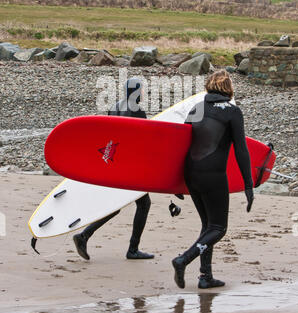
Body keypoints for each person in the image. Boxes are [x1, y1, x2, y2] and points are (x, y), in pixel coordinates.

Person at [172, 70, 254, 289]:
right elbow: (241, 151)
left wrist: (175, 182)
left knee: (208, 226)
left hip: (191, 173)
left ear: (209, 86)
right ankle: (183, 260)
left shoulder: (197, 108)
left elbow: (180, 145)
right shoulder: (232, 112)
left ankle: (205, 276)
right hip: (213, 176)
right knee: (218, 228)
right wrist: (248, 184)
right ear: (229, 88)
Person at [73, 77, 154, 261]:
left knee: (116, 205)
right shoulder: (137, 111)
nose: (143, 94)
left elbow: (108, 136)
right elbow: (141, 143)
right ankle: (132, 249)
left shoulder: (115, 106)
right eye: (141, 90)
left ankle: (85, 236)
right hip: (129, 168)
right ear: (136, 91)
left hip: (114, 164)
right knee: (143, 204)